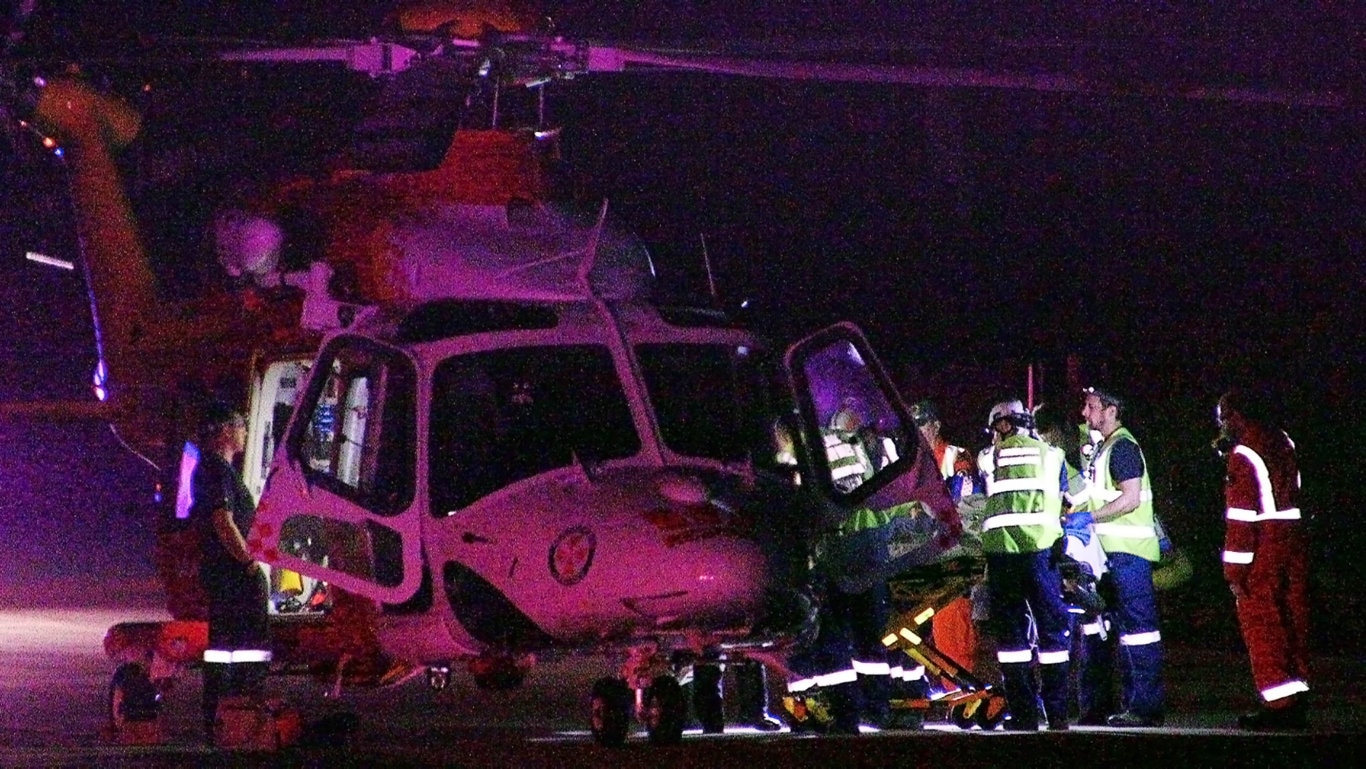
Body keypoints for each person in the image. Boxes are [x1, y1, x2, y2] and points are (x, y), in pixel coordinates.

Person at [1216, 388, 1310, 730]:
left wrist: (1234, 572)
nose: (1222, 424)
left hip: (1264, 545)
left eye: (1224, 416)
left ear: (1238, 415)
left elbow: (1241, 518)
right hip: (1293, 538)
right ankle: (1297, 694)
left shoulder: (1243, 453)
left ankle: (1278, 702)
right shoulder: (1283, 441)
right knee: (1292, 618)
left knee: (1262, 624)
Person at [979, 399, 1072, 731]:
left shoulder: (989, 458)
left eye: (995, 430)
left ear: (1003, 425)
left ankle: (1023, 716)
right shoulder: (1053, 456)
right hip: (1042, 554)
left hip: (1003, 557)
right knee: (1052, 634)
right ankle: (1058, 715)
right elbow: (1068, 500)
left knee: (1012, 639)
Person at [1080, 385, 1164, 727]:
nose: (1085, 413)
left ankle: (1145, 707)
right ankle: (1134, 704)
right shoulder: (1106, 448)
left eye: (1091, 406)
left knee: (1139, 632)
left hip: (1130, 554)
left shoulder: (1123, 447)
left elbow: (1129, 499)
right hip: (1116, 555)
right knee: (1125, 631)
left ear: (1111, 409)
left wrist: (1088, 518)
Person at [190, 401, 272, 744]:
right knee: (243, 648)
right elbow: (222, 521)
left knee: (229, 649)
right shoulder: (214, 471)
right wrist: (248, 561)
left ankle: (231, 719)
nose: (244, 432)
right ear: (224, 431)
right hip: (233, 576)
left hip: (229, 575)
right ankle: (234, 719)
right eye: (240, 425)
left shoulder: (220, 470)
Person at [1035, 403, 1117, 725]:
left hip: (1083, 552)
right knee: (1083, 630)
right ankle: (1085, 706)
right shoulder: (1072, 453)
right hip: (1077, 551)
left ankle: (1091, 707)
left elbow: (1079, 502)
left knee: (1090, 628)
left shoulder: (1072, 455)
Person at [909, 400, 981, 693]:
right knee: (920, 626)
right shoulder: (911, 461)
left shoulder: (956, 456)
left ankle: (961, 689)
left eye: (922, 424)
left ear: (936, 425)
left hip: (953, 551)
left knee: (954, 621)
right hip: (919, 553)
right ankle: (932, 687)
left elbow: (964, 499)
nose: (918, 431)